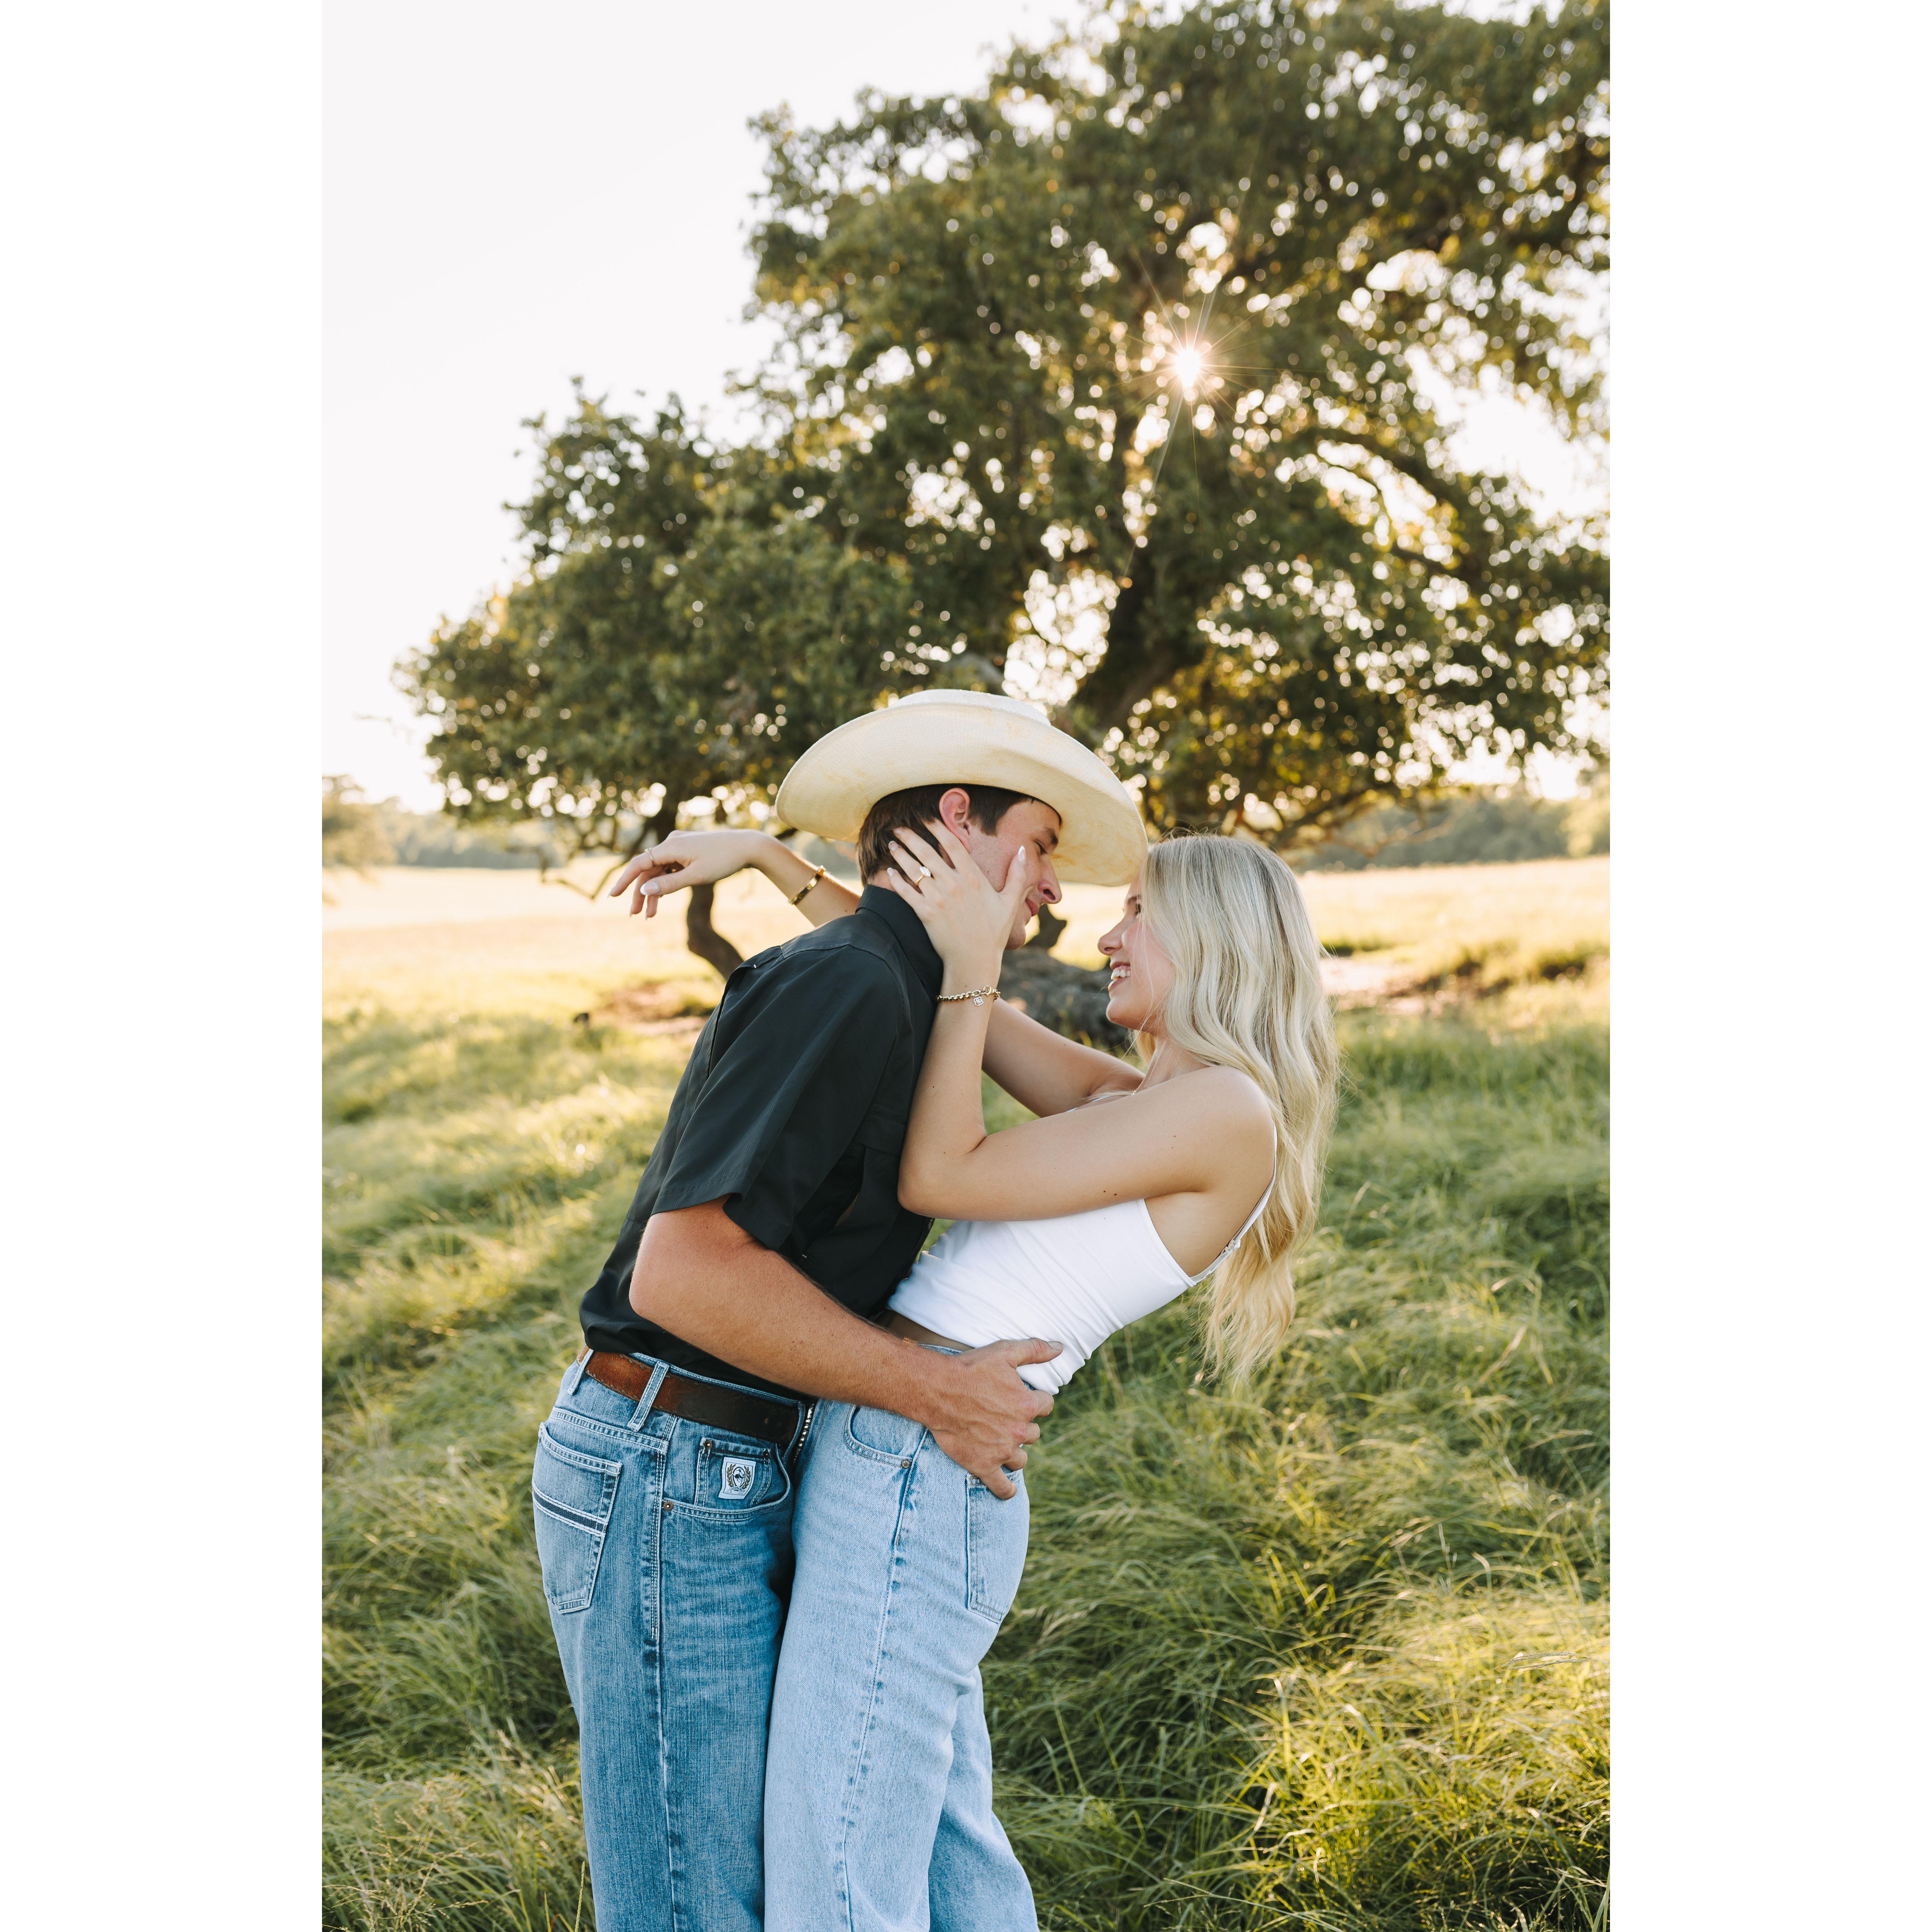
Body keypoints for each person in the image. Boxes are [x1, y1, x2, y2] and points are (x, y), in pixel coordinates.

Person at [639, 815, 1339, 1932]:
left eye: (1140, 913)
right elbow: (921, 981)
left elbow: (939, 1172)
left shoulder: (1224, 1114)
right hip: (908, 1449)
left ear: (1214, 940)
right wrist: (778, 865)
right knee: (945, 1852)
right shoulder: (1145, 1101)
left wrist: (973, 969)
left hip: (920, 1465)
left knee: (838, 1867)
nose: (1106, 936)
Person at [528, 690, 1148, 1932]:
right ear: (961, 818)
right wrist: (938, 1390)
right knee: (695, 1905)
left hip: (734, 1458)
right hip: (670, 1463)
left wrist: (775, 861)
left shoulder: (907, 986)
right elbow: (680, 1275)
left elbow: (1108, 1100)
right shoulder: (853, 985)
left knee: (761, 1881)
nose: (1052, 893)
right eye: (1039, 846)